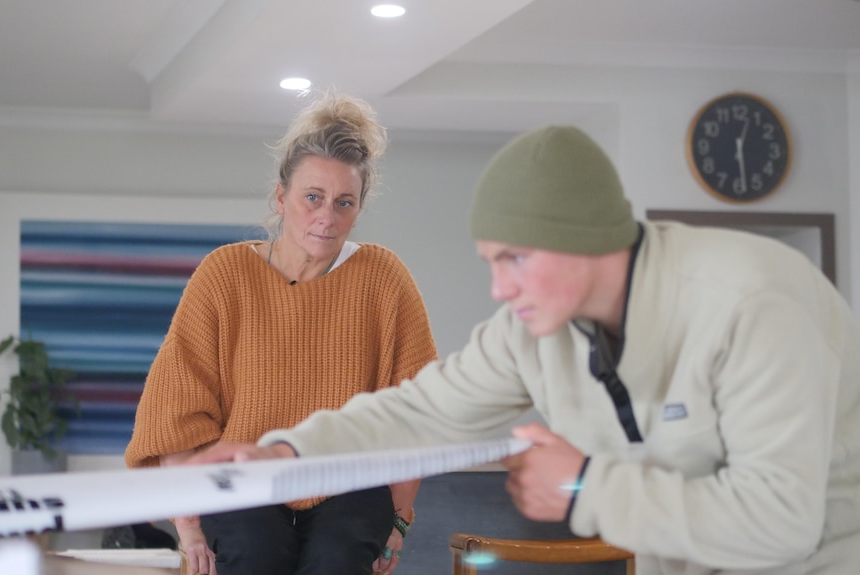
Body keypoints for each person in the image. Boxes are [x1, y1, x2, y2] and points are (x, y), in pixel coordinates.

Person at [189, 125, 860, 575]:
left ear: (587, 241)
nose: (497, 287)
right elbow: (417, 410)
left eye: (515, 258)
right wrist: (288, 451)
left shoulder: (752, 303)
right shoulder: (533, 325)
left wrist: (588, 484)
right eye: (490, 260)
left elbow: (782, 520)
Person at [124, 91, 438, 575]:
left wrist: (398, 523)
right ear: (281, 196)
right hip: (242, 477)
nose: (326, 217)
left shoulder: (384, 277)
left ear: (358, 209)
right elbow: (177, 410)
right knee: (256, 555)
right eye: (312, 197)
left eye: (344, 202)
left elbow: (418, 414)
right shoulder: (224, 274)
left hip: (350, 479)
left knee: (335, 559)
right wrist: (187, 526)